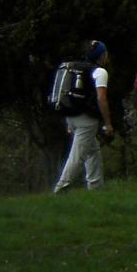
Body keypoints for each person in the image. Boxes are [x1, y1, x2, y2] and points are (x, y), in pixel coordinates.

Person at [54, 39, 115, 193]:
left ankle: (96, 187)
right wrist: (108, 123)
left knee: (92, 151)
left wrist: (69, 124)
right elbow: (101, 98)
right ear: (101, 55)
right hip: (87, 120)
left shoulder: (76, 68)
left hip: (71, 116)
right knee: (78, 155)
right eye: (105, 53)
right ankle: (61, 187)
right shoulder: (100, 72)